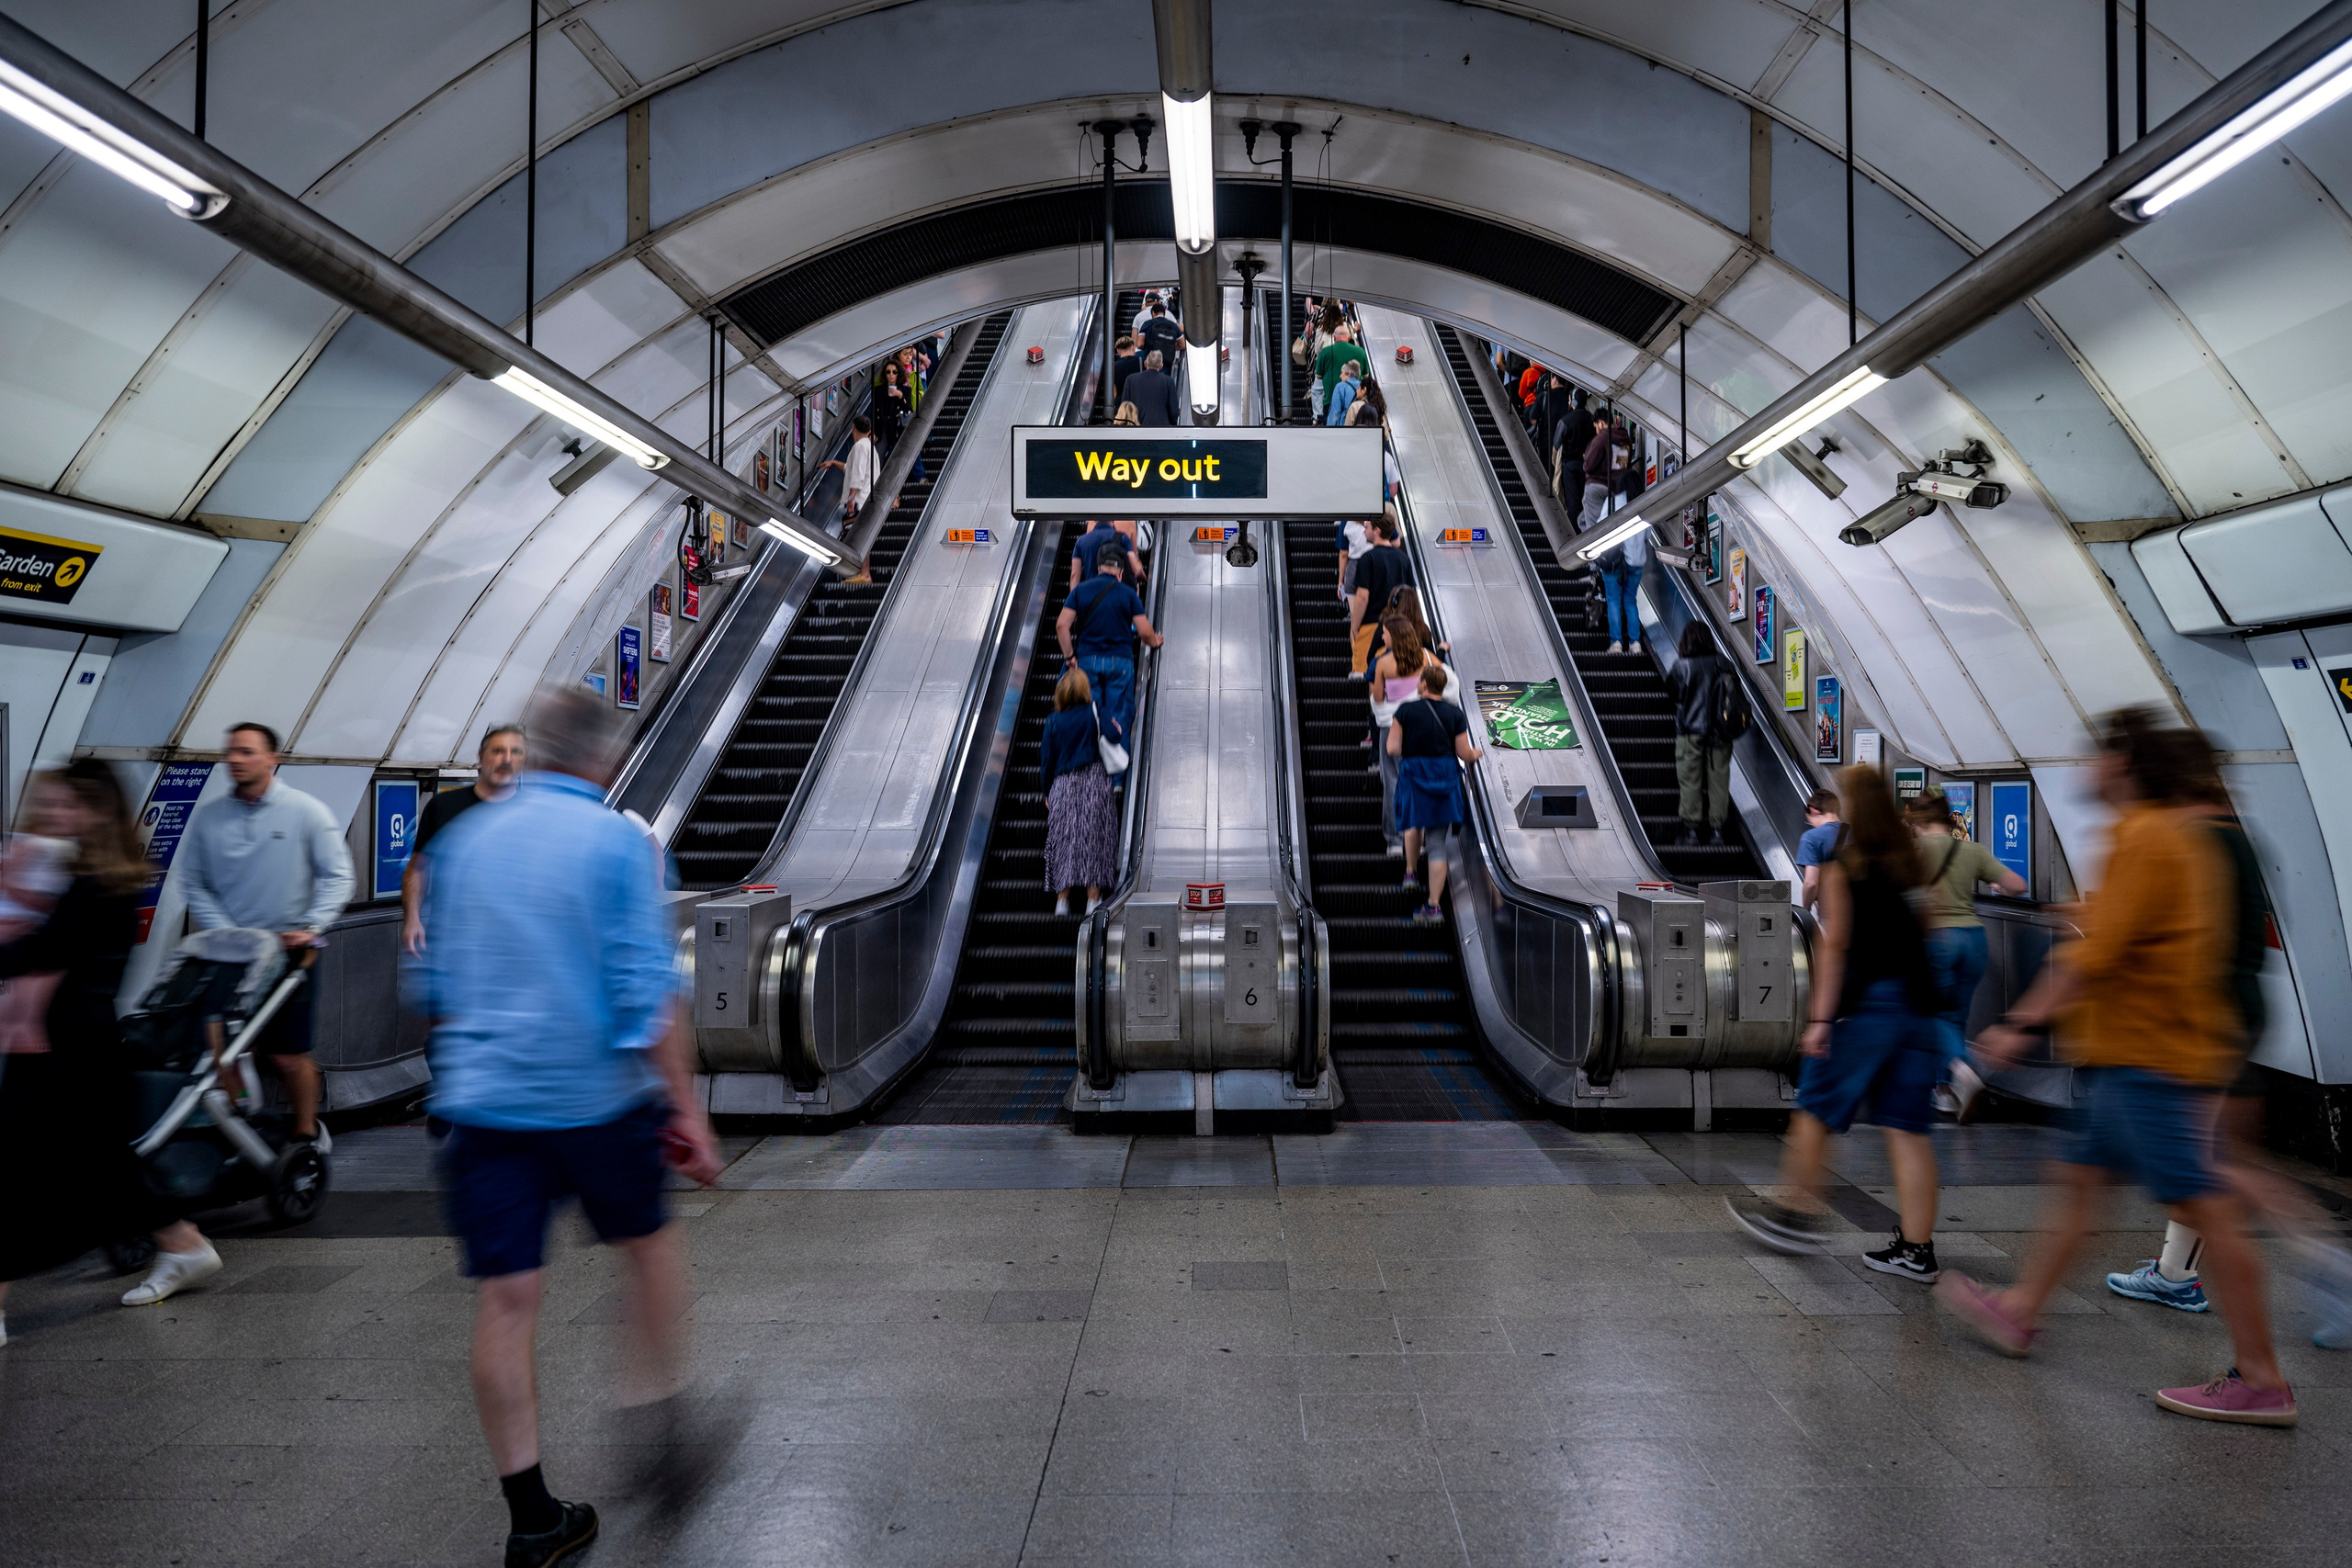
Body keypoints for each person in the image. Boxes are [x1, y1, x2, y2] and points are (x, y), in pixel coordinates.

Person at [409, 688, 722, 1565]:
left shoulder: (463, 841)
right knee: (649, 1250)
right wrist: (687, 1113)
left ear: (533, 752)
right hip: (596, 1099)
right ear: (608, 759)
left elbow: (430, 986)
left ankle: (531, 1516)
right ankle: (656, 1430)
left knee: (506, 1300)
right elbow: (646, 989)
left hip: (482, 1102)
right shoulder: (619, 843)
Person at [1938, 709, 2295, 1426]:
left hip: (2151, 1056)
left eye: (2097, 758)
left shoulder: (2148, 835)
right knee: (2079, 1185)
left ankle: (2261, 1376)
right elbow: (2126, 927)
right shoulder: (2170, 836)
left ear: (2126, 762)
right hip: (2132, 1052)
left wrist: (2015, 1026)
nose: (2087, 771)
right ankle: (2020, 1310)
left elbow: (2098, 955)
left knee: (2205, 1205)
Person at [1, 762, 222, 1337]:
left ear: (99, 812)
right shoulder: (82, 877)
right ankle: (183, 1243)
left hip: (72, 1055)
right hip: (66, 1049)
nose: (53, 814)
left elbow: (35, 952)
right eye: (50, 803)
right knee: (104, 1169)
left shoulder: (100, 886)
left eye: (68, 805)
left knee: (19, 1173)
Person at [1729, 765, 1946, 1279]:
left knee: (1816, 1111)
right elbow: (1931, 935)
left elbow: (1836, 947)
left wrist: (1821, 1020)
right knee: (1908, 1131)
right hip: (1918, 1011)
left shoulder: (1844, 867)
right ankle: (1918, 1251)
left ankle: (1791, 1218)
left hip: (1867, 1008)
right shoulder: (1912, 865)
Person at [179, 723, 355, 1146]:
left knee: (286, 1054)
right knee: (227, 1052)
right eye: (231, 752)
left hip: (290, 952)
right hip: (231, 955)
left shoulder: (305, 811)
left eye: (246, 752)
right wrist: (226, 932)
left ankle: (306, 1134)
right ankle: (243, 1128)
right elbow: (194, 882)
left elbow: (338, 876)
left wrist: (312, 926)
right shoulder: (210, 818)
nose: (235, 760)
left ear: (273, 759)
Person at [1908, 787, 2026, 1114]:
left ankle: (1962, 1070)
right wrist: (1998, 886)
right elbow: (2018, 885)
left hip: (1935, 940)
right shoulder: (1972, 850)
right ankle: (1945, 1092)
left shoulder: (1912, 850)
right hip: (1974, 940)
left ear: (1918, 821)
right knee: (1954, 1017)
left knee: (1929, 1014)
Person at [401, 725, 526, 956]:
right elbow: (418, 869)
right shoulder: (444, 806)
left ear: (524, 759)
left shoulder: (532, 815)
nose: (506, 759)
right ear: (481, 756)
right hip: (451, 941)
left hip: (512, 945)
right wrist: (412, 918)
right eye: (498, 751)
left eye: (515, 752)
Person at [1388, 663, 1482, 926]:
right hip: (1444, 776)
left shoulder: (1405, 711)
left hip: (1415, 773)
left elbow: (1392, 748)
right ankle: (1433, 907)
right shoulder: (1455, 714)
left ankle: (1409, 873)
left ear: (1424, 685)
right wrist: (1476, 754)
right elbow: (1465, 753)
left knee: (1413, 822)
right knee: (1438, 843)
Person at [1057, 540, 1163, 747]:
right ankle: (1116, 776)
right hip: (1120, 663)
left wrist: (1070, 657)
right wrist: (1155, 641)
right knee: (1119, 717)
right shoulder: (1128, 594)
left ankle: (1088, 770)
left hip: (1087, 661)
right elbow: (1144, 632)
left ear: (1098, 569)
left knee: (1089, 713)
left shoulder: (1080, 592)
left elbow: (1062, 626)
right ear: (1121, 572)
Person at [1039, 666, 1121, 918]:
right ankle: (1092, 901)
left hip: (1064, 785)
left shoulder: (1053, 720)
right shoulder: (1094, 711)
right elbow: (1115, 736)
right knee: (1094, 840)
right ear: (1085, 689)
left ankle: (1062, 901)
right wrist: (1114, 724)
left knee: (1064, 840)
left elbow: (1046, 761)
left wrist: (1046, 792)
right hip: (1094, 783)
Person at [1664, 622, 1735, 848]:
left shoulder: (1682, 666)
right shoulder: (1724, 664)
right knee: (1719, 781)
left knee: (1689, 780)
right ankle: (1717, 832)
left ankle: (1691, 831)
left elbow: (1673, 694)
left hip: (1690, 733)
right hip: (1720, 734)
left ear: (1687, 641)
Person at [1349, 513, 1413, 681]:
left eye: (1367, 528)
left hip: (1371, 625)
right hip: (1398, 629)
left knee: (1367, 676)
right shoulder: (1404, 559)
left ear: (1377, 530)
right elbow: (1410, 594)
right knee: (1393, 675)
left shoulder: (1367, 559)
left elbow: (1362, 596)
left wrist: (1355, 625)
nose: (1364, 532)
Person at [1594, 515, 1645, 655]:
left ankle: (1616, 643)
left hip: (1614, 561)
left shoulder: (1614, 501)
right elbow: (1647, 534)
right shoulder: (1644, 503)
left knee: (1613, 600)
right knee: (1630, 601)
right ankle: (1635, 644)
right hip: (1636, 560)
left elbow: (1600, 527)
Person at [816, 413, 877, 531]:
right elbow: (851, 469)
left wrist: (851, 499)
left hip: (856, 505)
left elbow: (857, 475)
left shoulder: (860, 446)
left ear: (852, 428)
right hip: (866, 503)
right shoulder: (871, 449)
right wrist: (833, 463)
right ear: (869, 431)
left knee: (851, 540)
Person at [1794, 789, 1844, 916]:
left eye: (1809, 820)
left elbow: (1811, 883)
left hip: (1833, 913)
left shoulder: (1810, 837)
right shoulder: (1858, 833)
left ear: (1813, 810)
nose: (1811, 824)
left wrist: (1806, 910)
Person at [1069, 518, 1141, 592]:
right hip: (1116, 591)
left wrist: (1074, 598)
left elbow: (1074, 576)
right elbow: (1135, 569)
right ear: (1113, 519)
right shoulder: (1123, 538)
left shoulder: (1081, 541)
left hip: (1091, 593)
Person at [1313, 324, 1370, 417]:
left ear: (1334, 338)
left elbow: (1318, 383)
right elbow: (1366, 378)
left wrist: (1316, 416)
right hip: (1356, 403)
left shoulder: (1325, 352)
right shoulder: (1361, 352)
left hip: (1330, 402)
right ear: (1349, 338)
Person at [1121, 349, 1182, 427]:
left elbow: (1124, 406)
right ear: (1161, 366)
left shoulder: (1130, 379)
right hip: (1161, 430)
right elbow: (1174, 412)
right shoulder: (1168, 381)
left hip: (1136, 428)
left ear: (1145, 363)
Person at [1578, 414, 1614, 529]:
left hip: (1596, 487)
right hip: (1614, 487)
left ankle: (1596, 546)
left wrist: (1586, 459)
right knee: (1582, 520)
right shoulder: (1623, 439)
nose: (1596, 430)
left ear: (1601, 423)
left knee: (1593, 528)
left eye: (1596, 426)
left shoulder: (1599, 440)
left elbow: (1588, 466)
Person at [1136, 299, 1184, 370]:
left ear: (1153, 313)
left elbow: (1140, 344)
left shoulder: (1148, 324)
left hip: (1150, 361)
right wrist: (1169, 346)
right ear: (1164, 313)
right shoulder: (1173, 325)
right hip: (1166, 362)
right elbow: (1183, 345)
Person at [1325, 359, 1363, 426]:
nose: (1340, 376)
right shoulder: (1363, 387)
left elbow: (1335, 412)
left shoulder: (1340, 387)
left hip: (1344, 425)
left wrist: (1329, 429)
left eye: (1342, 373)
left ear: (1349, 373)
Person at [1111, 333, 1140, 404]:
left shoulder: (1114, 366)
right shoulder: (1142, 362)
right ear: (1133, 348)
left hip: (1122, 404)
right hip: (1138, 403)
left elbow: (1114, 393)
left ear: (1118, 351)